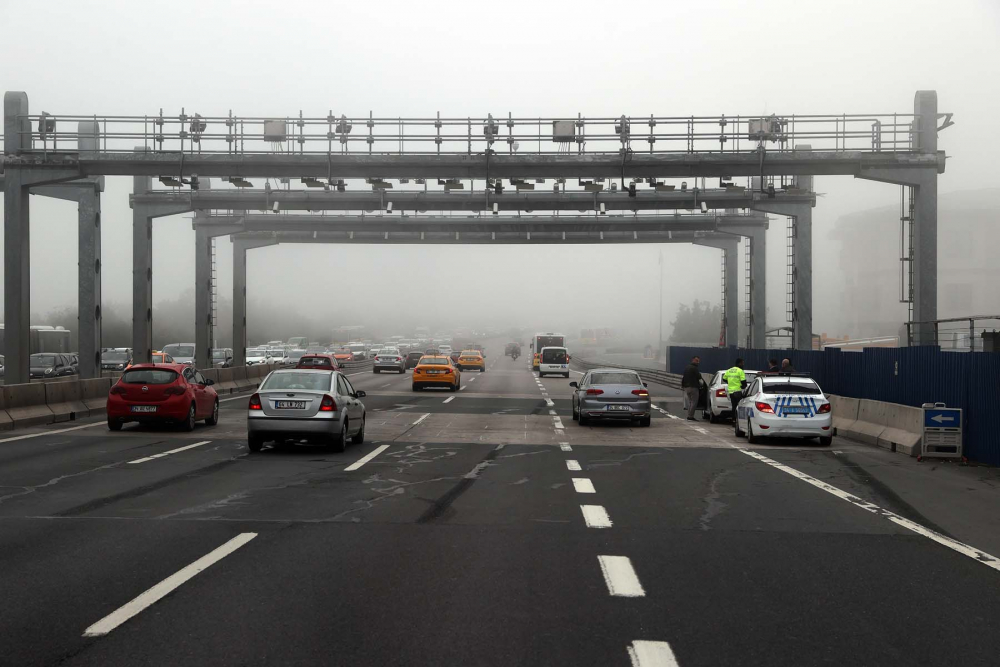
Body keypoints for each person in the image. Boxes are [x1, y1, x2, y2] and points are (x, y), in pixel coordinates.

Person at [681, 356, 702, 421]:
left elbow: (684, 377)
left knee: (690, 402)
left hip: (687, 387)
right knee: (694, 402)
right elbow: (699, 377)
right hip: (693, 387)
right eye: (696, 360)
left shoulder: (687, 367)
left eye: (698, 361)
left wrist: (683, 386)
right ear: (693, 360)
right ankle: (691, 416)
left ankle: (689, 415)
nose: (697, 362)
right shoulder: (694, 368)